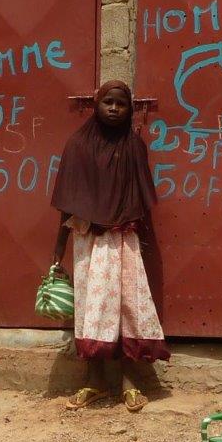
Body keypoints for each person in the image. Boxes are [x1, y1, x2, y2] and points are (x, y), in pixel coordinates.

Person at [50, 80, 170, 412]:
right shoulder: (78, 145)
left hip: (122, 240)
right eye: (108, 103)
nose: (114, 109)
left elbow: (138, 201)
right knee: (93, 310)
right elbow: (67, 203)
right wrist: (57, 251)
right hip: (89, 239)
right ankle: (95, 382)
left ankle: (131, 383)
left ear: (130, 109)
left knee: (126, 309)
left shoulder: (134, 146)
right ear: (96, 105)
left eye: (121, 104)